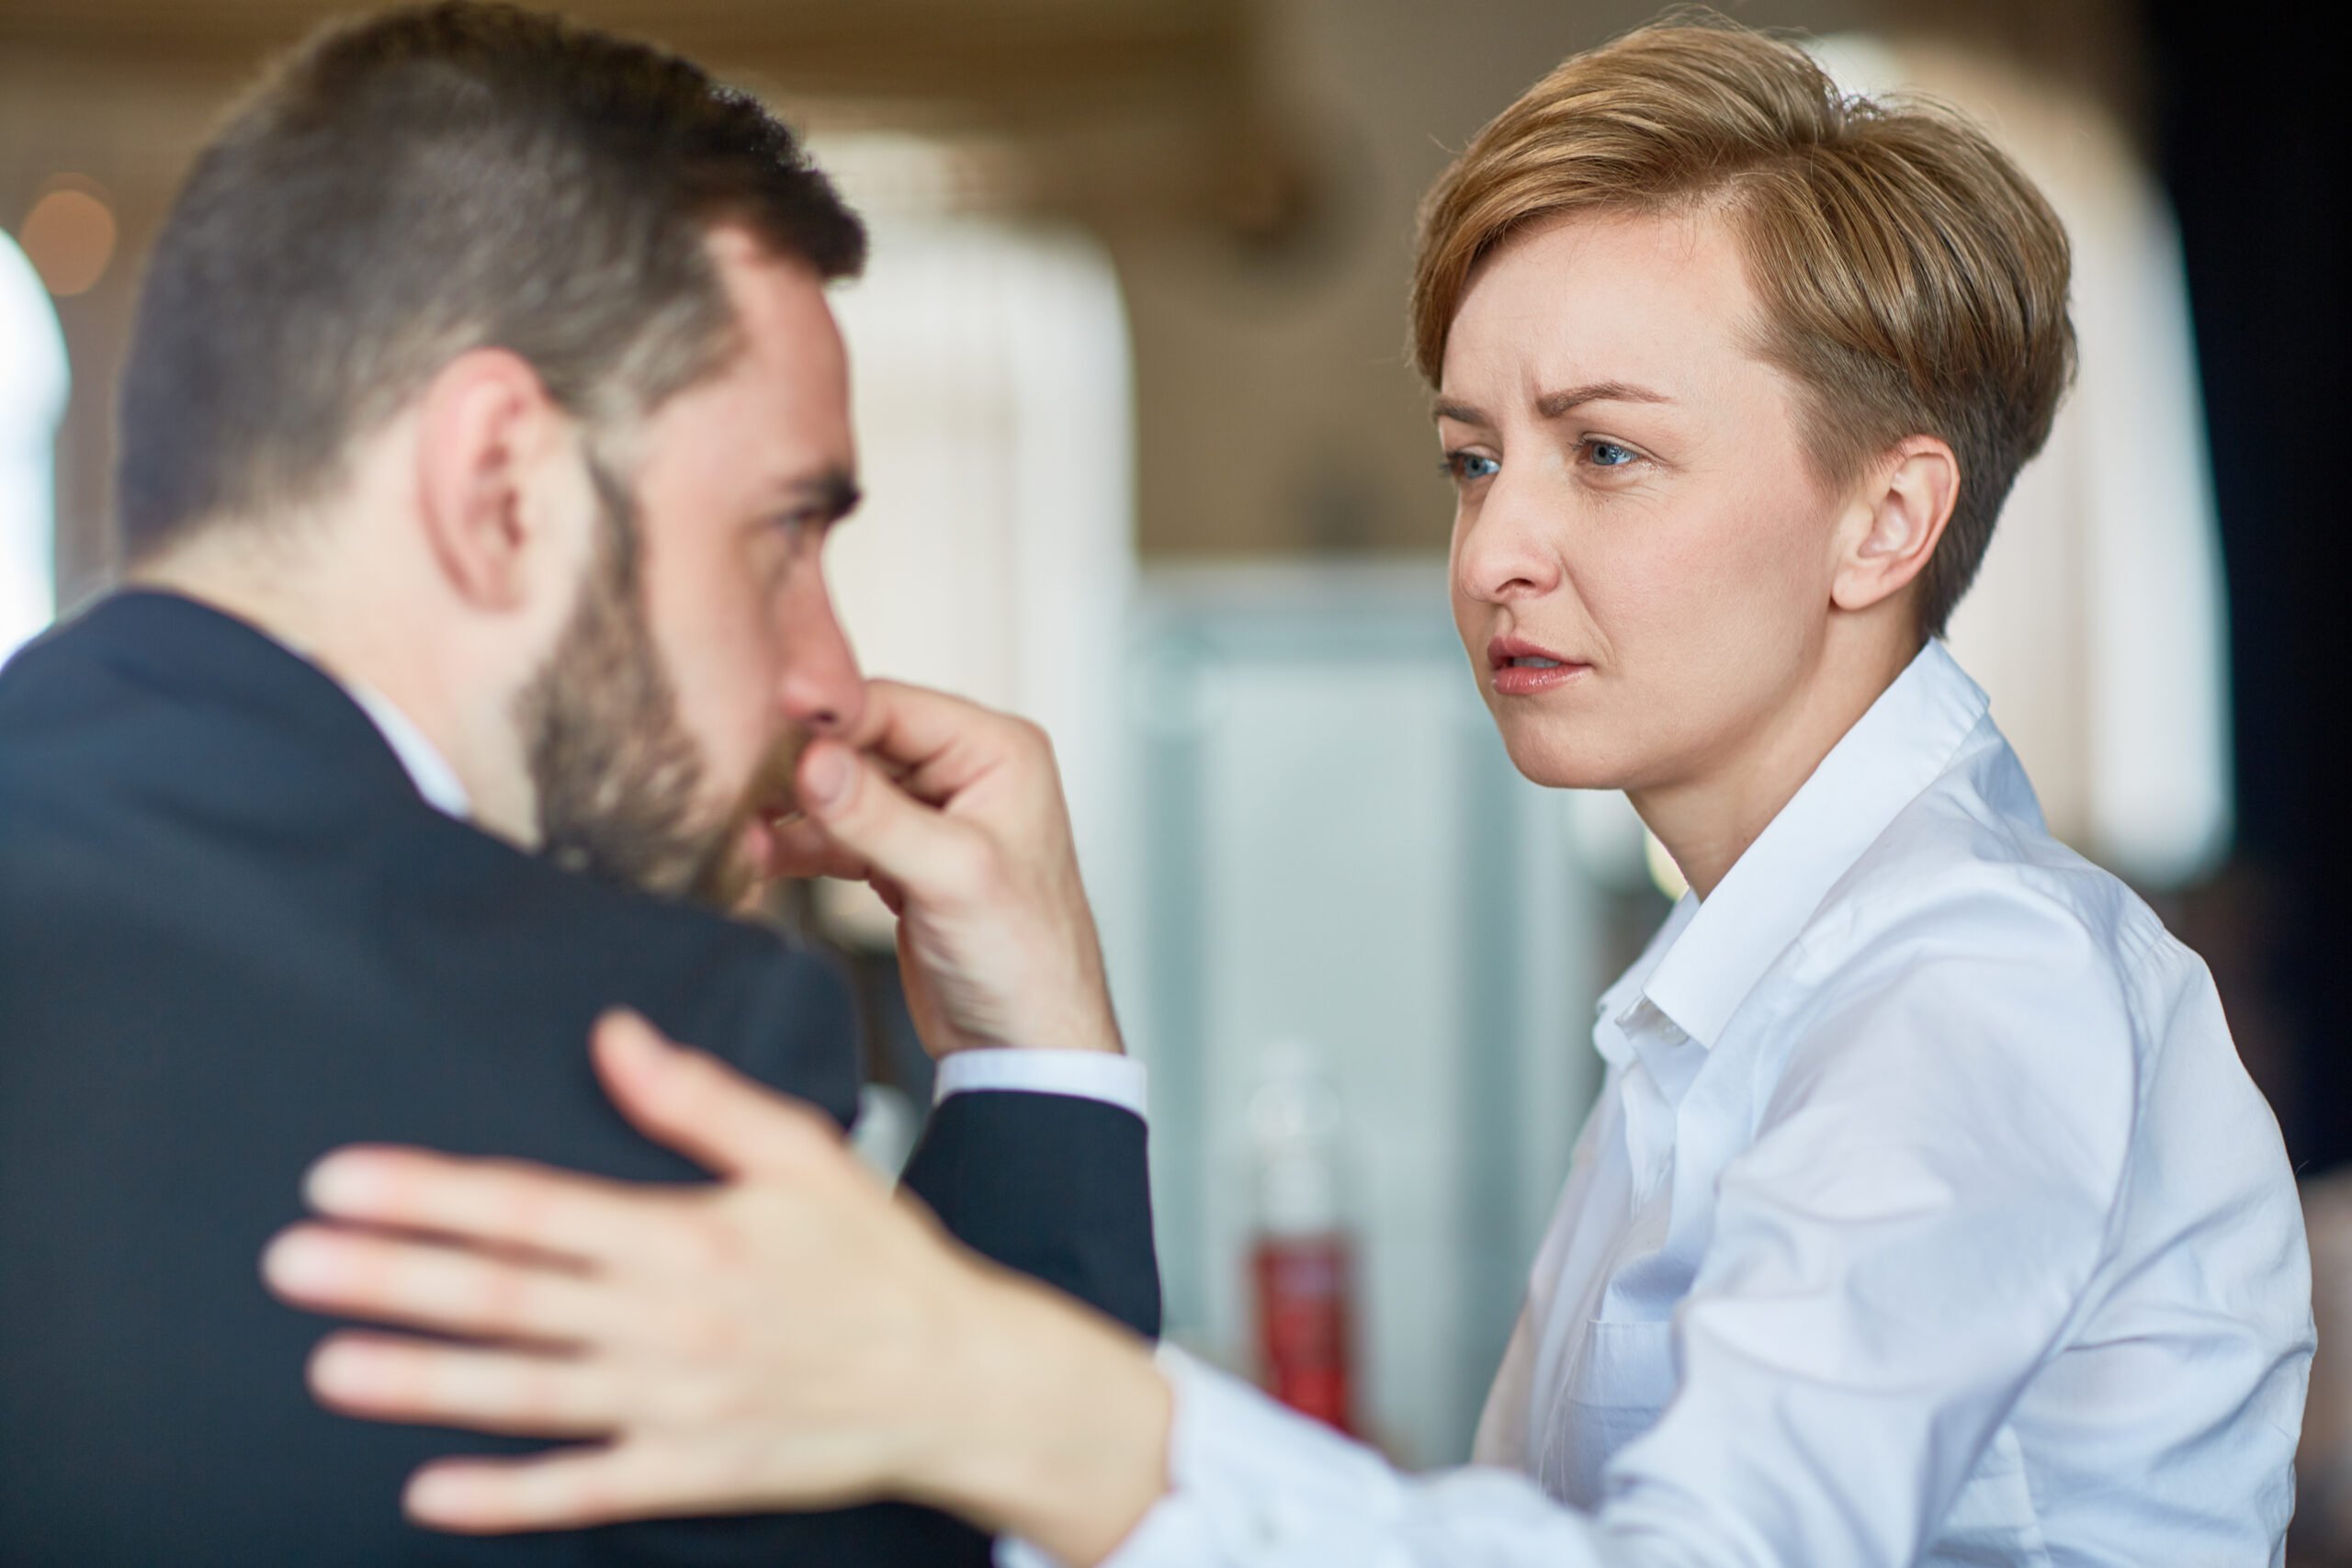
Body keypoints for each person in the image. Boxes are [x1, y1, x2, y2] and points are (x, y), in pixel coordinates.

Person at [263, 16, 2314, 1568]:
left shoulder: (1961, 982)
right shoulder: (1763, 973)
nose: (1494, 545)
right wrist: (1043, 1032)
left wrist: (1000, 1386)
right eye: (1469, 455)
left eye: (1602, 451)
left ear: (1885, 516)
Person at [0, 6, 1159, 1564]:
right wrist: (1039, 1083)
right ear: (499, 489)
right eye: (785, 534)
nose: (827, 671)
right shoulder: (641, 1062)